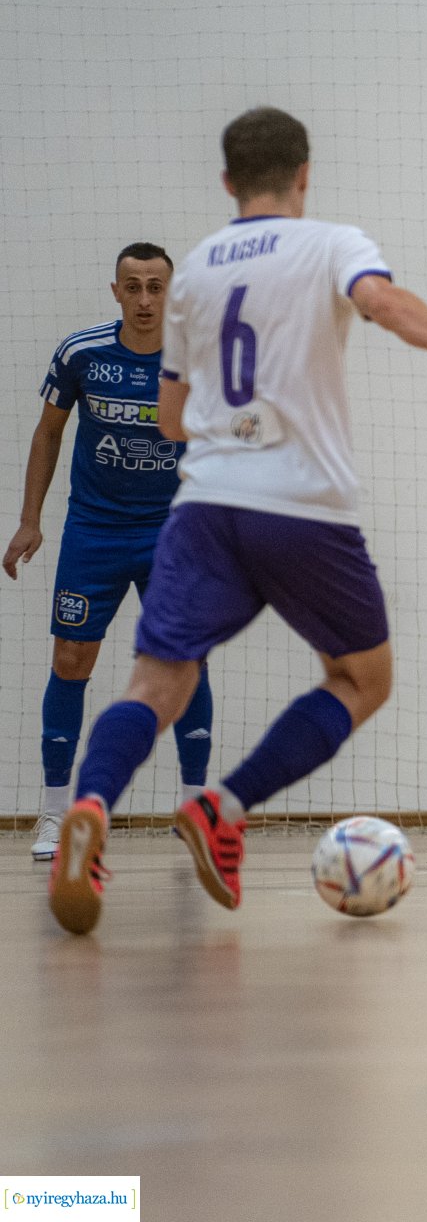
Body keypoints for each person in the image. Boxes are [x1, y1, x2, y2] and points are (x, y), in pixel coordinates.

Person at [48, 106, 427, 936]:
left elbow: (168, 420)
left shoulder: (192, 271)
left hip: (201, 506)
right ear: (305, 174)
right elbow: (378, 301)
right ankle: (221, 808)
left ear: (227, 182)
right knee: (360, 679)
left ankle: (89, 806)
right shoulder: (330, 242)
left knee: (155, 684)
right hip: (301, 507)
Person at [7, 245, 213, 860]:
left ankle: (195, 810)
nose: (146, 299)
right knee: (71, 658)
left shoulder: (195, 357)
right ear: (116, 291)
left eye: (156, 287)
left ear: (171, 294)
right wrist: (28, 521)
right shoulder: (82, 352)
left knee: (185, 661)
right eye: (134, 286)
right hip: (93, 531)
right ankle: (53, 815)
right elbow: (48, 433)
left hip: (173, 535)